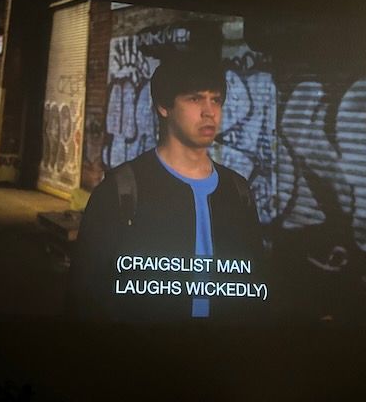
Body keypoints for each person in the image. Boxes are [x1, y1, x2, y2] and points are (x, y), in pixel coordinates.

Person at [66, 52, 268, 324]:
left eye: (216, 99)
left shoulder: (237, 190)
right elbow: (85, 293)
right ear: (164, 105)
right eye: (195, 98)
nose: (209, 111)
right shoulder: (122, 190)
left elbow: (254, 283)